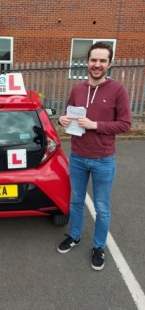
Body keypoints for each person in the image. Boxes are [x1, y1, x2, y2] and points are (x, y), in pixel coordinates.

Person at [57, 42, 131, 271]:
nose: (97, 64)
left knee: (101, 206)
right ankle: (76, 236)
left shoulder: (118, 90)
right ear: (87, 62)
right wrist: (62, 120)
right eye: (93, 60)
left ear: (109, 63)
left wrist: (95, 125)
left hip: (103, 159)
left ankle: (99, 247)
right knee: (77, 201)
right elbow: (69, 113)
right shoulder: (77, 89)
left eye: (102, 60)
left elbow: (125, 124)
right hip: (78, 156)